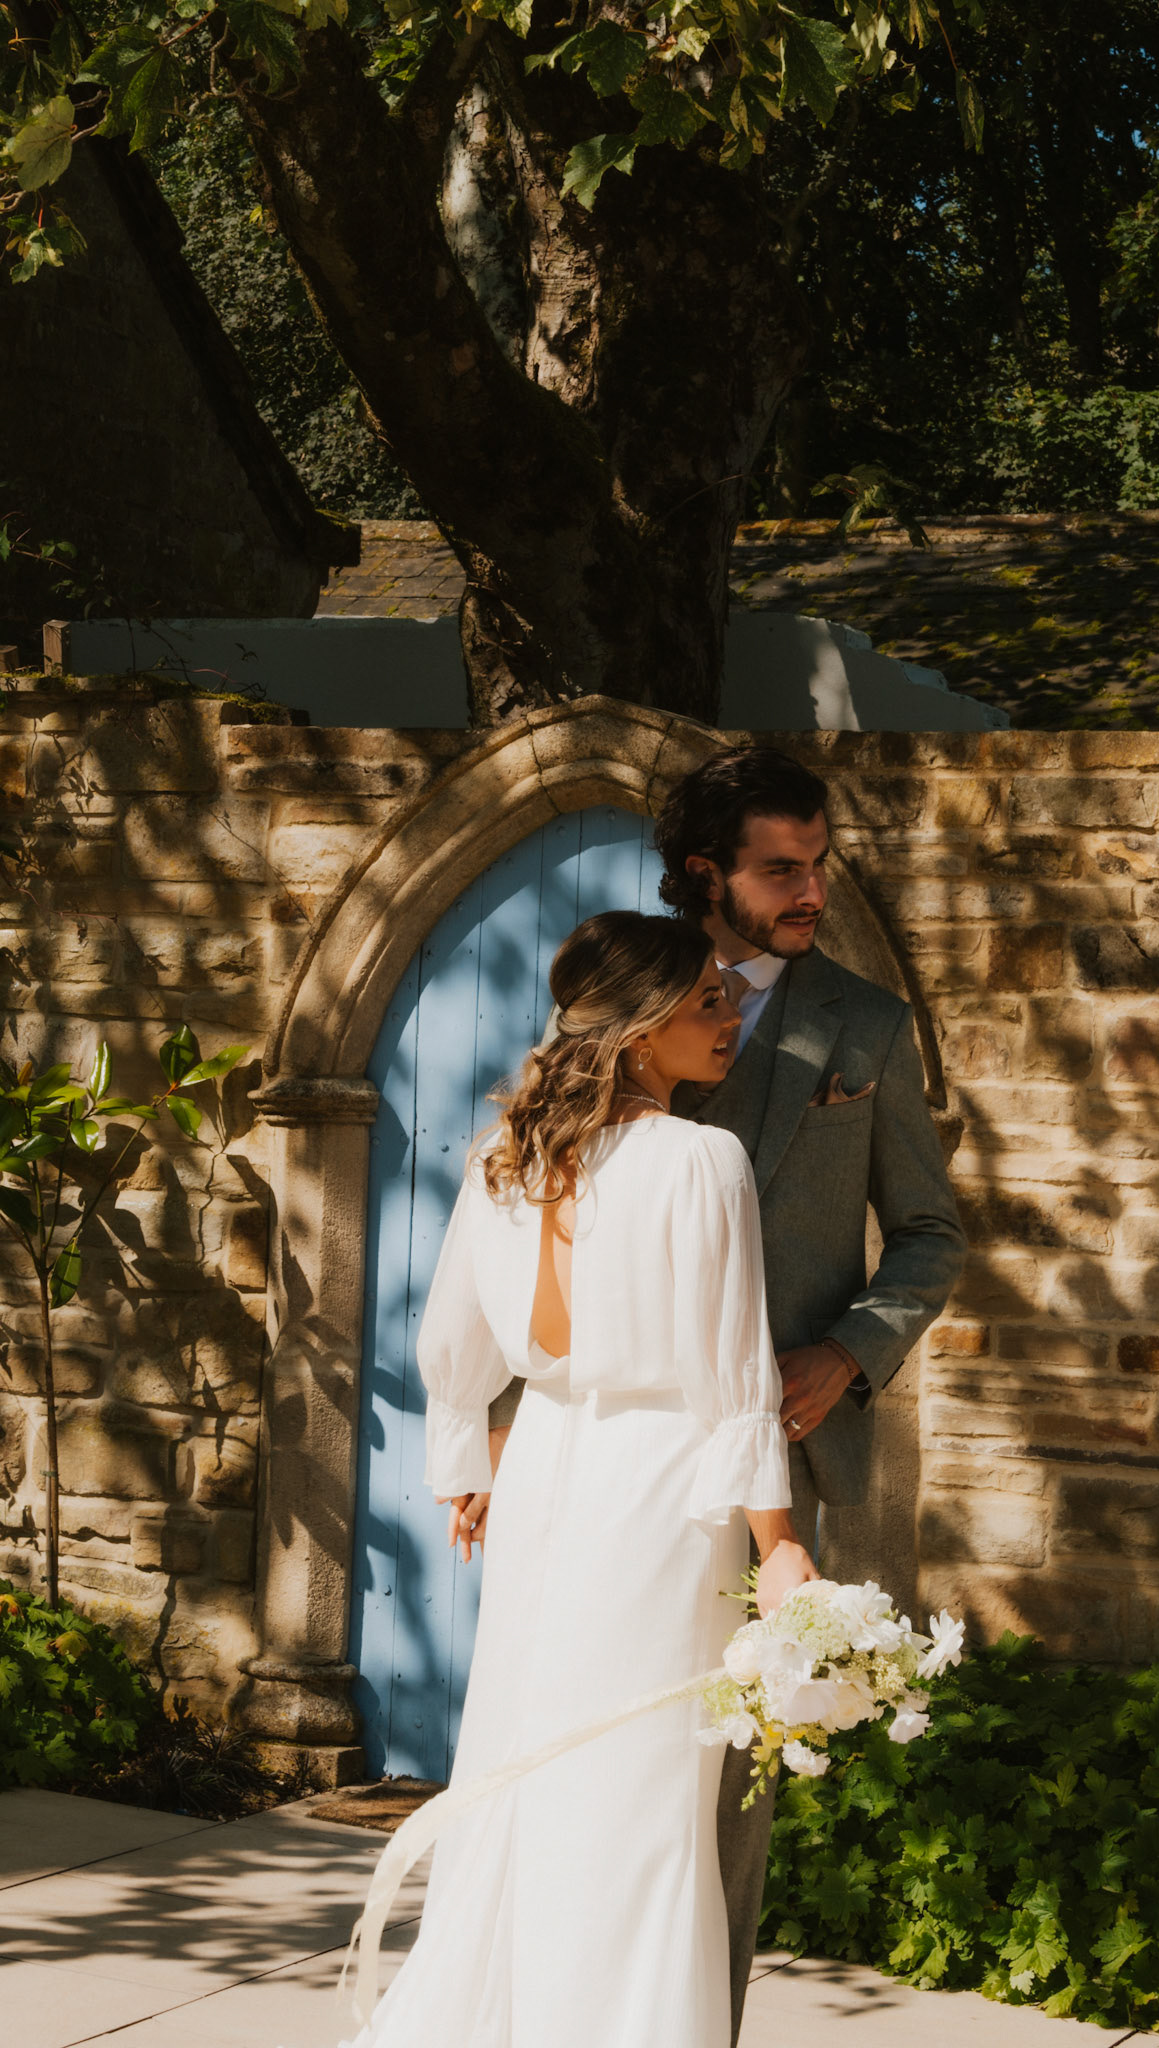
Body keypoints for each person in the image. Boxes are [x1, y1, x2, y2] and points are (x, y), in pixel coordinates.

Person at [491, 744, 967, 2040]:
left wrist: (849, 1349)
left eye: (820, 864)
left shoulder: (865, 1024)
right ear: (706, 872)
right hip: (609, 1472)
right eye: (780, 869)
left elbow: (930, 1233)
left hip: (778, 1458)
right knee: (589, 1772)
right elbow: (544, 1214)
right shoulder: (619, 990)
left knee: (721, 1808)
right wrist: (499, 1428)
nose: (811, 890)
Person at [337, 911, 819, 2048]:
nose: (732, 1013)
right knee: (640, 1783)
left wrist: (467, 1469)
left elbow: (452, 1346)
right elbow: (734, 1379)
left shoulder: (505, 1156)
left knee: (529, 1752)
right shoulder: (701, 1158)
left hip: (548, 1464)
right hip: (662, 1486)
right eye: (708, 998)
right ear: (641, 1027)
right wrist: (781, 1543)